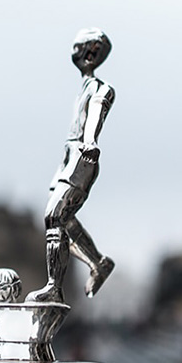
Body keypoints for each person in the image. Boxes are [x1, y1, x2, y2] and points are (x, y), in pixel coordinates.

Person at [27, 28, 116, 303]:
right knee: (62, 220)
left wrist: (90, 144)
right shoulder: (84, 88)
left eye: (79, 48)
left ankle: (54, 286)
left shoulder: (101, 89)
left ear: (91, 53)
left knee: (55, 218)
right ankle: (98, 263)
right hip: (69, 159)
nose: (74, 53)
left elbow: (94, 117)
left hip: (81, 156)